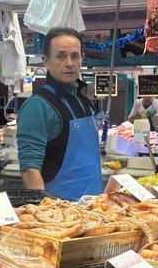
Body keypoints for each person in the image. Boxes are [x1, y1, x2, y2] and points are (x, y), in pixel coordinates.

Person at [16, 28, 102, 200]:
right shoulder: (38, 106)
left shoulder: (83, 99)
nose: (70, 63)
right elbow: (29, 169)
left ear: (81, 59)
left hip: (96, 207)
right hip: (61, 213)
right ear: (46, 61)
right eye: (61, 56)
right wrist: (46, 213)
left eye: (75, 56)